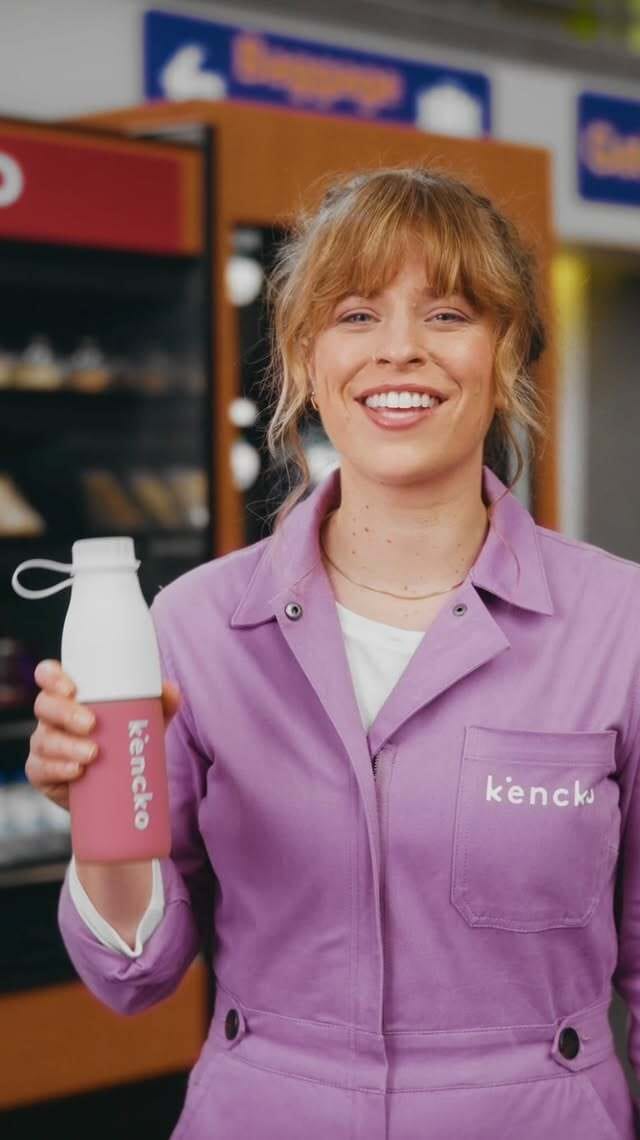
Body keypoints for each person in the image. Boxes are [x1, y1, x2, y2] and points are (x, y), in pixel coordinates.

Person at [26, 165, 640, 1140]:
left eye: (447, 314)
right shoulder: (196, 626)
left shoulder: (619, 625)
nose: (399, 349)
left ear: (508, 352)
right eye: (355, 315)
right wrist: (101, 815)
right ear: (305, 359)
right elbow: (131, 976)